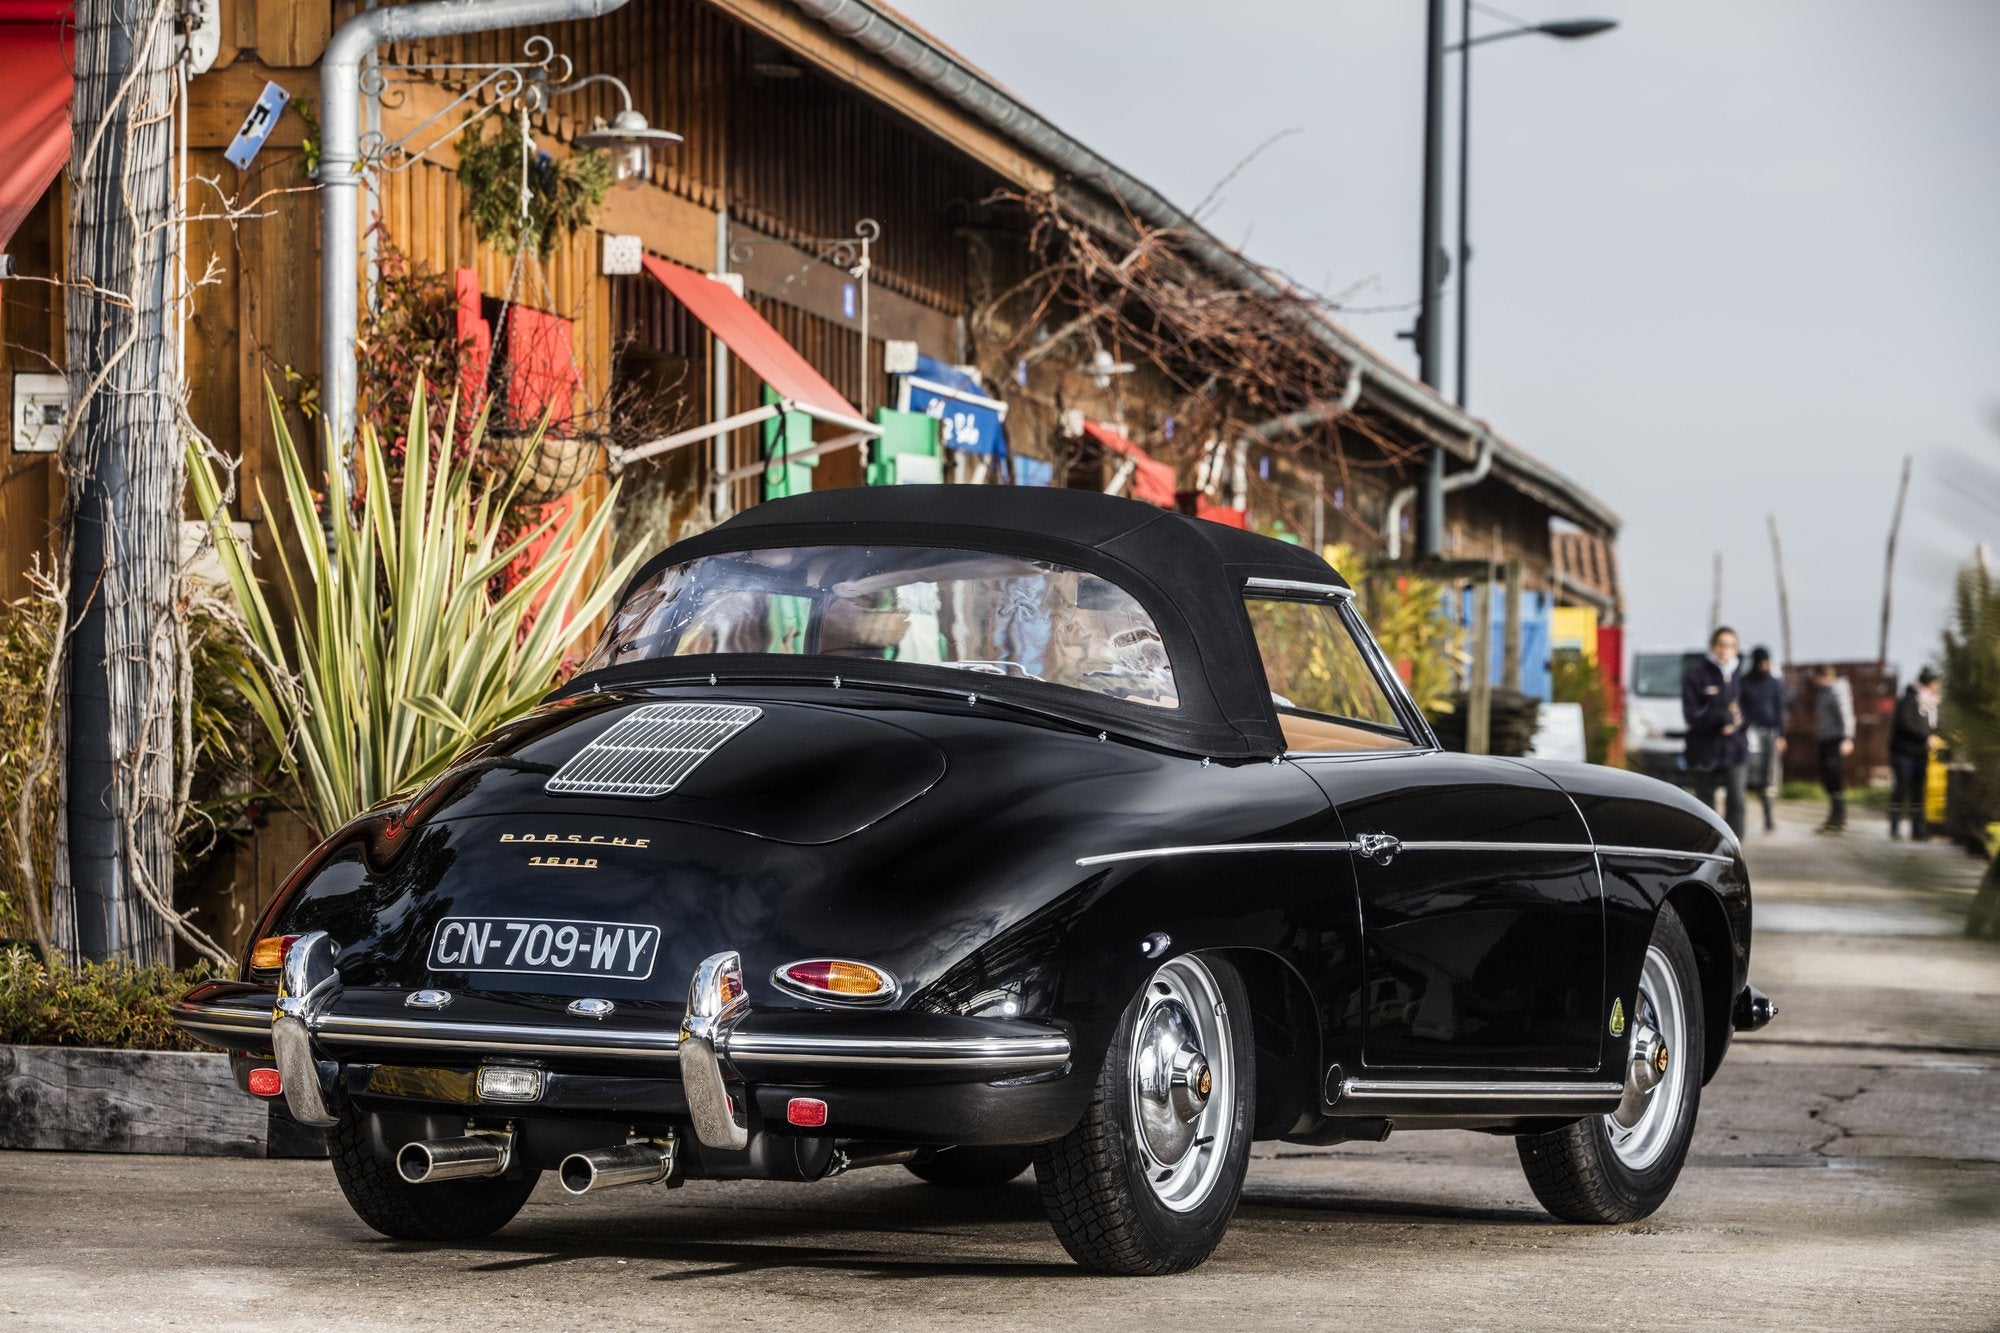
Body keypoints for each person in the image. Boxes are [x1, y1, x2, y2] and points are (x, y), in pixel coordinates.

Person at [1682, 626, 1749, 837]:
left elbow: (1753, 710)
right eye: (1721, 645)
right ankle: (1708, 844)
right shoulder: (1697, 675)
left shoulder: (1742, 677)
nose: (1726, 650)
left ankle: (1735, 846)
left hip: (1735, 748)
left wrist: (1740, 723)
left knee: (1737, 800)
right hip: (1705, 748)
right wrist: (1718, 719)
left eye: (1731, 646)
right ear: (1713, 647)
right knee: (1704, 804)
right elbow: (1691, 714)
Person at [1739, 646, 1788, 833]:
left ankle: (1769, 817)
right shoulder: (1744, 683)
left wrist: (1781, 735)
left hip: (1770, 735)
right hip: (1748, 735)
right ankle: (1741, 819)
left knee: (1768, 777)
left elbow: (1780, 710)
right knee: (1745, 775)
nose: (1765, 665)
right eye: (1762, 661)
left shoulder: (1774, 683)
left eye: (1768, 662)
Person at [1889, 666, 1940, 839]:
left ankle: (1917, 829)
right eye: (1935, 683)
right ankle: (1895, 826)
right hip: (1903, 751)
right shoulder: (1909, 699)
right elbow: (1906, 724)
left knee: (1918, 790)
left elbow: (1933, 726)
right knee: (1902, 786)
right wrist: (1926, 736)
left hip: (1920, 753)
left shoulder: (1932, 703)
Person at [1812, 664, 1856, 834]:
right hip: (1825, 739)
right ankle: (1833, 817)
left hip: (1835, 740)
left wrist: (1847, 738)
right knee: (1827, 778)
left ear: (1823, 675)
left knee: (1834, 777)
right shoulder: (1825, 691)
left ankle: (1840, 819)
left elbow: (1846, 714)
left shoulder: (1837, 690)